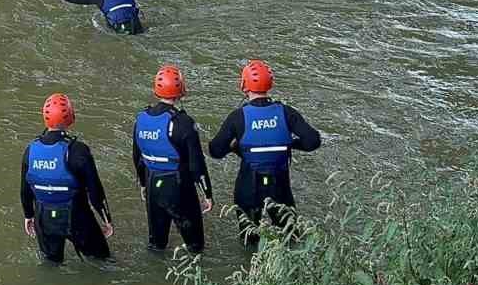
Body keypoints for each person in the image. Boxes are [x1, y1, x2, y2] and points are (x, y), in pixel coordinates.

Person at [208, 60, 321, 247]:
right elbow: (313, 141)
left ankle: (254, 273)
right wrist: (288, 143)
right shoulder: (286, 112)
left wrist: (237, 147)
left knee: (250, 241)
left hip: (248, 187)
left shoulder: (238, 117)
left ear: (243, 85)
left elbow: (215, 151)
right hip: (280, 187)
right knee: (290, 238)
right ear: (270, 84)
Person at [21, 92, 114, 265]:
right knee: (102, 262)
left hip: (44, 218)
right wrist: (106, 219)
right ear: (71, 117)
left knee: (51, 266)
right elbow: (95, 190)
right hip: (77, 217)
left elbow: (25, 189)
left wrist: (28, 215)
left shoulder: (30, 151)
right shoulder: (78, 150)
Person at [133, 65, 213, 256]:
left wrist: (143, 184)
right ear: (181, 91)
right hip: (178, 186)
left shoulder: (141, 119)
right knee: (195, 247)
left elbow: (137, 157)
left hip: (153, 183)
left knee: (156, 245)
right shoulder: (184, 122)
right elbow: (196, 164)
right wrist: (207, 193)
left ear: (156, 89)